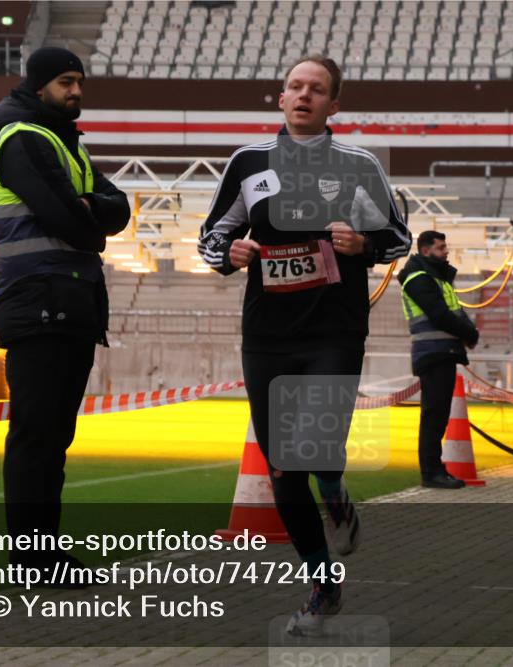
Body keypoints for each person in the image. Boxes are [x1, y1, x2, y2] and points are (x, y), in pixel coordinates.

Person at [198, 55, 411, 634]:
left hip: (333, 330)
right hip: (267, 334)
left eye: (317, 90)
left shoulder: (357, 164)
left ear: (333, 105)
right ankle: (324, 584)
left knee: (313, 450)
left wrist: (360, 243)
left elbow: (398, 238)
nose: (303, 95)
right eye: (295, 86)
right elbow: (213, 234)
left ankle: (336, 488)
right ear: (280, 98)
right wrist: (230, 253)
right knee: (285, 469)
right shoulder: (248, 163)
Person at [0, 47, 130, 576]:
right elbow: (73, 220)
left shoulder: (63, 143)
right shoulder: (23, 139)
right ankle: (31, 558)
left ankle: (45, 553)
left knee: (53, 439)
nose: (77, 92)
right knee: (37, 437)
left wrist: (95, 212)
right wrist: (93, 216)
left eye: (80, 82)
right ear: (41, 84)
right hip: (38, 301)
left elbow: (120, 208)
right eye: (67, 82)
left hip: (68, 302)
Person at [397, 230, 479, 489]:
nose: (446, 252)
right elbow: (439, 314)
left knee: (438, 415)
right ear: (425, 251)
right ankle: (431, 472)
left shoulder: (435, 277)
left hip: (442, 351)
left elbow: (453, 310)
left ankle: (434, 469)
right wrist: (468, 333)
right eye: (441, 248)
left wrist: (467, 332)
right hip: (433, 352)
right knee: (434, 416)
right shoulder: (419, 278)